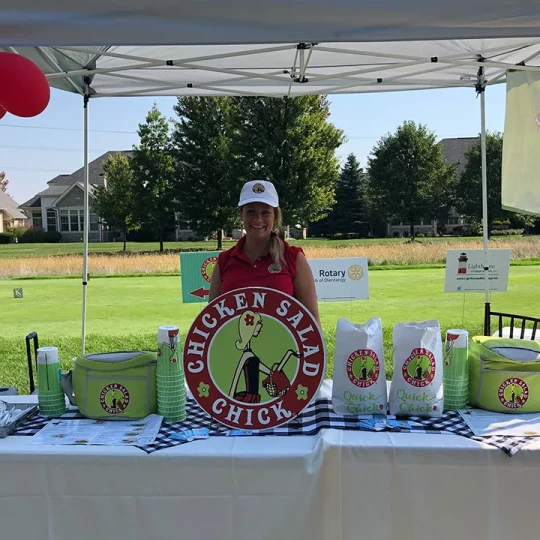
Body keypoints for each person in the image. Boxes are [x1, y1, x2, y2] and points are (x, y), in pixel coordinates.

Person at [209, 179, 321, 327]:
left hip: (283, 348)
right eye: (250, 212)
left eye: (265, 212)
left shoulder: (293, 258)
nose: (258, 219)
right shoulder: (225, 260)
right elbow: (211, 319)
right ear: (240, 214)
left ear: (275, 216)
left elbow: (311, 317)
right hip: (235, 348)